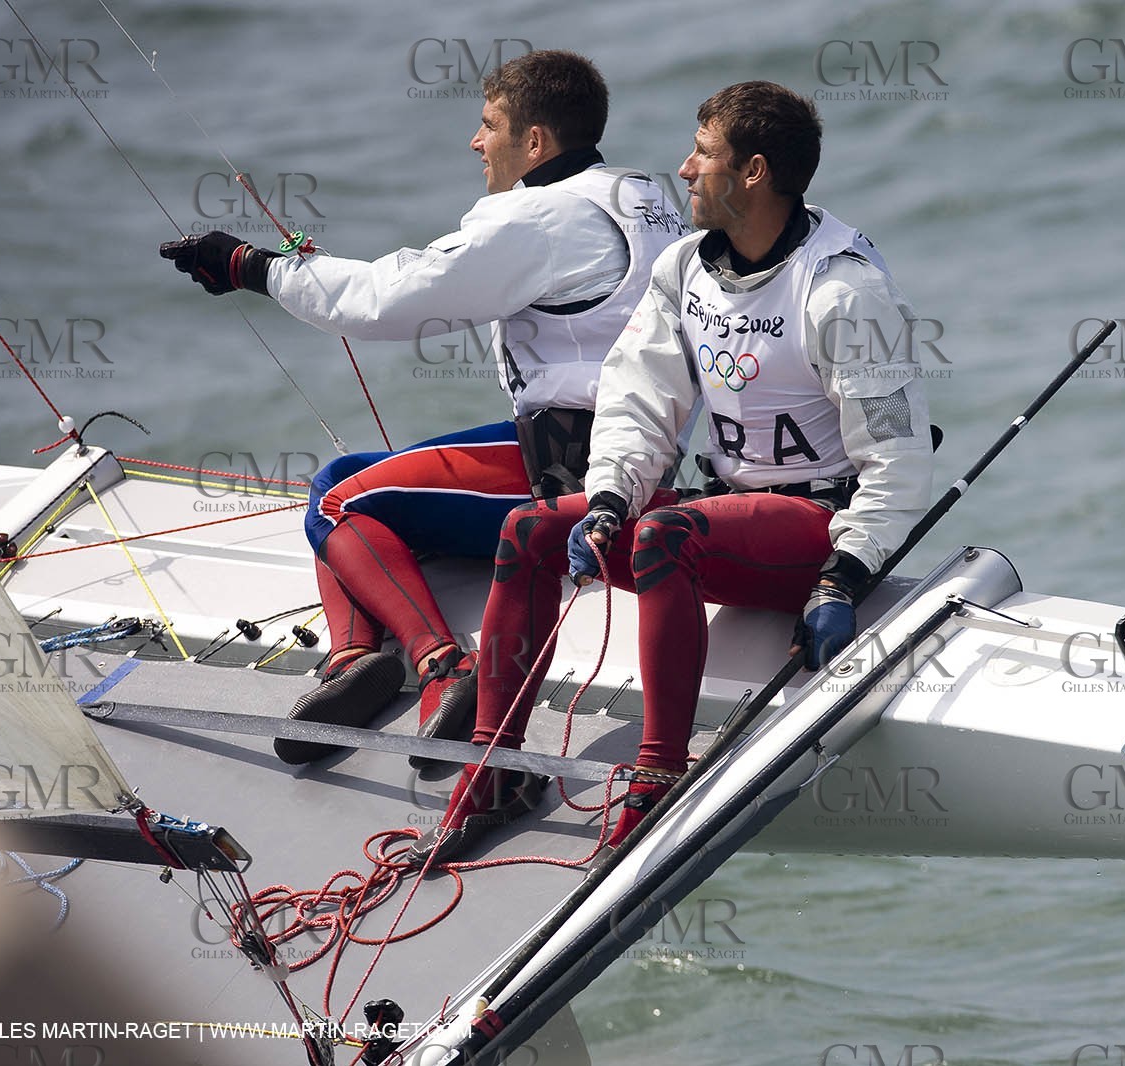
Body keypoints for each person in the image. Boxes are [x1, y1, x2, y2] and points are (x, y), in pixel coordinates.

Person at [433, 81, 934, 856]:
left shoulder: (844, 292)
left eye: (704, 153)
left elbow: (898, 460)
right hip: (722, 518)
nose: (686, 169)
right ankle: (495, 767)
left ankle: (660, 777)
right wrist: (606, 500)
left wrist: (845, 577)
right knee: (532, 526)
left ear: (755, 172)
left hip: (813, 534)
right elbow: (639, 404)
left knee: (666, 533)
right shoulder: (683, 270)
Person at [158, 51, 685, 764]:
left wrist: (251, 267)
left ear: (535, 142)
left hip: (583, 477)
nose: (475, 142)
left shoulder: (541, 218)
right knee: (348, 474)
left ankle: (440, 663)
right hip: (650, 455)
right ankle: (354, 659)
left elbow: (388, 297)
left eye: (488, 125)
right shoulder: (642, 194)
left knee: (339, 505)